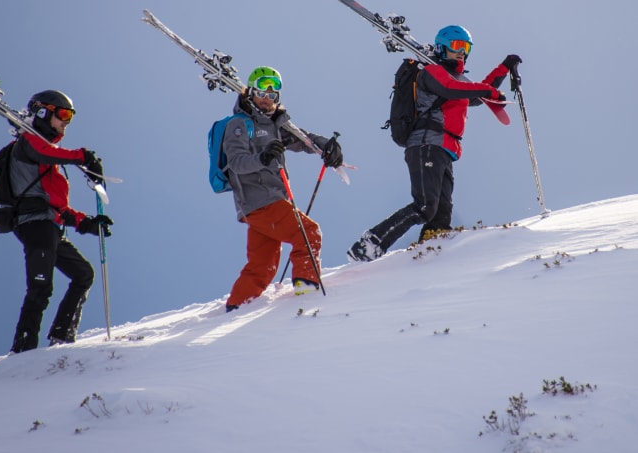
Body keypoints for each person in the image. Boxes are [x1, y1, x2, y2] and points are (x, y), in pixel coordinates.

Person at [347, 26, 521, 261]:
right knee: (424, 206)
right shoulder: (432, 72)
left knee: (441, 213)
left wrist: (503, 68)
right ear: (442, 47)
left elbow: (477, 96)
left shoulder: (456, 80)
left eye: (466, 48)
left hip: (445, 150)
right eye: (457, 46)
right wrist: (487, 89)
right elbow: (451, 89)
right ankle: (369, 244)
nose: (462, 52)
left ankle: (430, 254)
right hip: (426, 144)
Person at [222, 67, 344, 311]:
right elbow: (235, 162)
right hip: (262, 200)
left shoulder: (274, 125)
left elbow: (302, 139)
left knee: (262, 266)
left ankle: (235, 308)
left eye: (274, 95)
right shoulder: (239, 124)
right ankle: (306, 289)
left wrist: (328, 147)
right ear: (251, 92)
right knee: (308, 233)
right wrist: (263, 158)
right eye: (262, 92)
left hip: (262, 206)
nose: (268, 99)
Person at [9, 90, 113, 353]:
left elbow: (60, 208)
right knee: (41, 287)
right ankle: (23, 350)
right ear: (44, 112)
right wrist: (83, 157)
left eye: (70, 117)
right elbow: (45, 153)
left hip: (50, 227)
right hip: (34, 225)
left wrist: (88, 223)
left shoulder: (50, 165)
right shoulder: (28, 142)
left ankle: (62, 336)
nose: (66, 121)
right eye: (63, 114)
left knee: (83, 274)